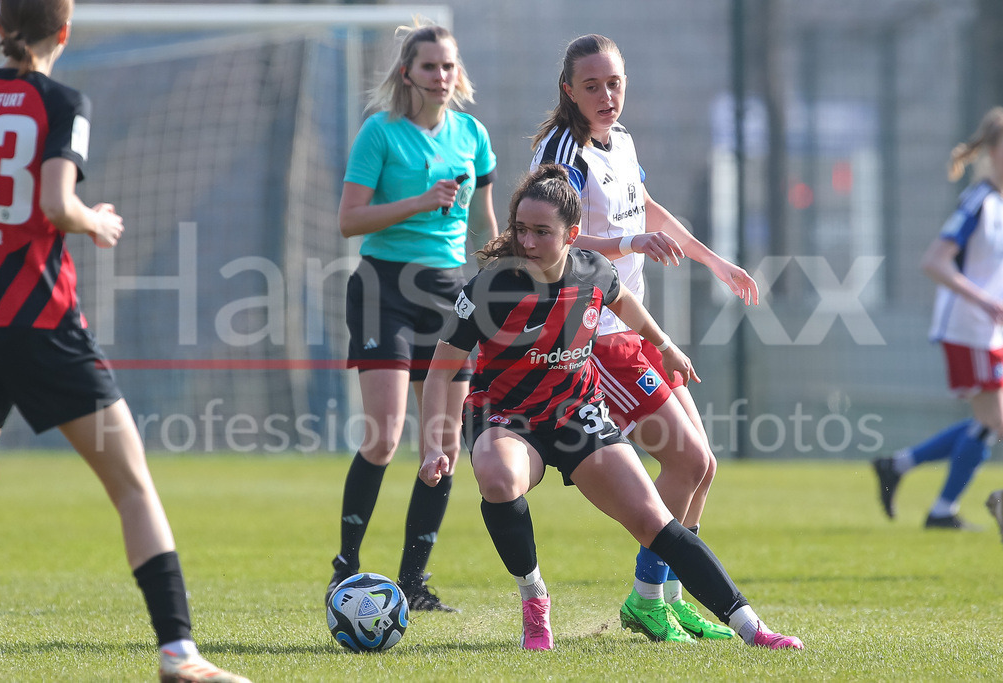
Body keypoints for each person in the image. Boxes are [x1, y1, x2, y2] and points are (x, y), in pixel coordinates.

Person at [418, 164, 802, 651]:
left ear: (571, 234)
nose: (528, 241)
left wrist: (663, 344)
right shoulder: (490, 287)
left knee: (653, 519)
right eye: (520, 229)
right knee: (498, 479)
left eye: (542, 232)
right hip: (506, 418)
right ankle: (535, 602)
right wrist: (436, 444)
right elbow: (441, 369)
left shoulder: (593, 270)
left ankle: (753, 628)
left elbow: (625, 304)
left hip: (578, 413)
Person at [0, 2, 250, 682]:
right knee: (131, 486)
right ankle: (179, 654)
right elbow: (52, 204)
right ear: (63, 33)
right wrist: (91, 220)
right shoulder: (63, 102)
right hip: (38, 321)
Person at [530, 34, 760, 641]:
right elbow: (545, 238)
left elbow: (647, 209)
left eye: (615, 83)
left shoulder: (622, 142)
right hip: (594, 332)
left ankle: (668, 596)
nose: (607, 96)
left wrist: (715, 262)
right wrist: (627, 245)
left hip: (632, 327)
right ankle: (647, 599)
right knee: (684, 459)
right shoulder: (562, 151)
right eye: (592, 86)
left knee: (701, 465)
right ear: (568, 91)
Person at [328, 21, 498, 612]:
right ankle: (345, 565)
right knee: (383, 434)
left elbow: (484, 225)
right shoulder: (380, 133)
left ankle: (413, 583)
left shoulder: (473, 135)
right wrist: (421, 202)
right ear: (408, 73)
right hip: (384, 287)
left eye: (449, 66)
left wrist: (502, 279)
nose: (441, 77)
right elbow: (349, 221)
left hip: (450, 293)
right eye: (430, 67)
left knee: (443, 443)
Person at [873, 107, 1003, 530]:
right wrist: (983, 301)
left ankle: (903, 467)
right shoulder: (979, 202)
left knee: (986, 422)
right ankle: (945, 508)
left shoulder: (997, 204)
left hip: (987, 329)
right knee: (993, 421)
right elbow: (935, 261)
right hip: (970, 329)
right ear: (995, 152)